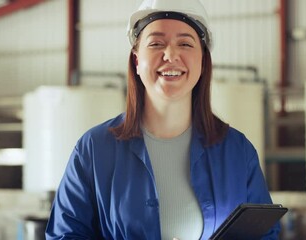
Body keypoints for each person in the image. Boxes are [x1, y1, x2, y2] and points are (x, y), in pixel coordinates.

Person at [45, 0, 280, 239]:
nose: (171, 55)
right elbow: (66, 234)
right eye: (156, 43)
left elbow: (264, 234)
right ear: (137, 60)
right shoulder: (94, 149)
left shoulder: (237, 152)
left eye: (185, 43)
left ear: (202, 60)